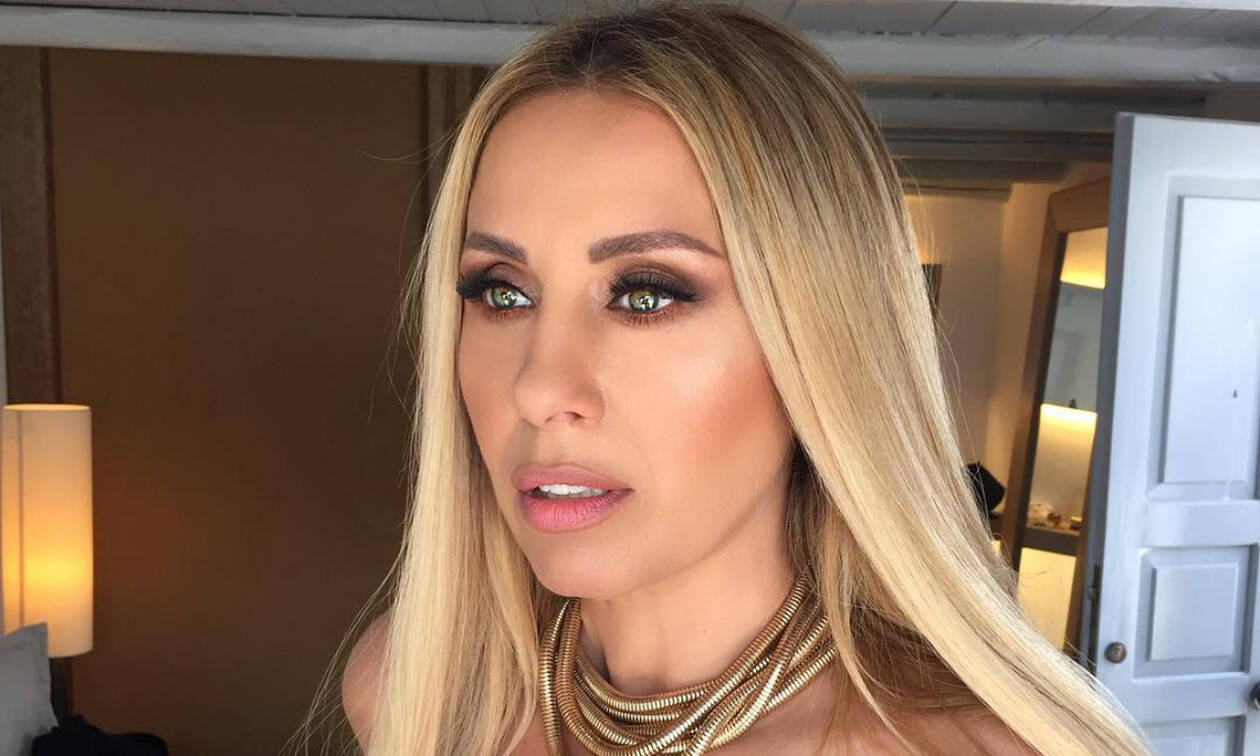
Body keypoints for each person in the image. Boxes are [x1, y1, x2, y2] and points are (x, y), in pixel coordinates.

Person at [306, 2, 1153, 754]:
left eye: (646, 293)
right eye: (502, 292)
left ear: (819, 343)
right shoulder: (416, 690)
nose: (538, 387)